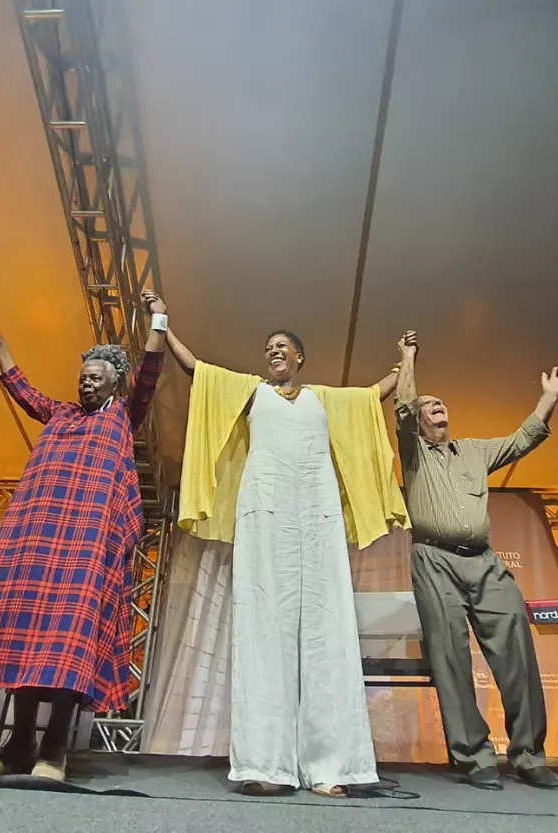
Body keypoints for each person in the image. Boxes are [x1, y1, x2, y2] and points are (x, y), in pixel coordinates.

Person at [165, 301, 410, 797]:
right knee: (262, 632)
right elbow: (197, 371)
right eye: (268, 349)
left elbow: (375, 397)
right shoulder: (252, 392)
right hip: (267, 517)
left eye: (282, 348)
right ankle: (265, 765)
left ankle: (331, 768)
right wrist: (163, 326)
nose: (274, 353)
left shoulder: (324, 399)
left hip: (317, 519)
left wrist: (406, 359)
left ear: (299, 357)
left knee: (327, 633)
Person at [0, 293, 166, 781]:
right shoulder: (59, 414)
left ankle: (54, 749)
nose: (86, 380)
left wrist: (157, 318)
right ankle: (17, 746)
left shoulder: (123, 415)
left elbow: (149, 369)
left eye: (97, 375)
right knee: (25, 639)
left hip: (86, 546)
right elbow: (20, 388)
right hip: (36, 539)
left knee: (67, 644)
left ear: (113, 382)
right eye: (83, 374)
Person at [395, 331, 558, 790]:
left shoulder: (473, 451)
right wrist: (408, 358)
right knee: (450, 657)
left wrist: (547, 399)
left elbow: (522, 439)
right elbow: (403, 405)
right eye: (428, 403)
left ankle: (530, 756)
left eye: (441, 402)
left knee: (516, 649)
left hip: (484, 562)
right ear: (417, 417)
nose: (436, 406)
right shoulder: (414, 455)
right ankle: (474, 759)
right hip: (434, 561)